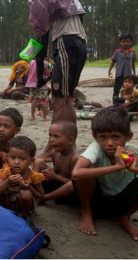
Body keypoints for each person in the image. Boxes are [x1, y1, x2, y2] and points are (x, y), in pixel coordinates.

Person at [72, 106, 138, 240]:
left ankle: (124, 217)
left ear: (128, 136)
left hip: (123, 201)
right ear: (95, 137)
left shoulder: (133, 151)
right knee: (85, 169)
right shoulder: (96, 148)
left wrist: (134, 169)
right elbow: (76, 173)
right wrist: (117, 167)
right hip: (98, 199)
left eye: (115, 137)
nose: (109, 143)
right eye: (103, 137)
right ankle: (86, 211)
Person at [29, 0, 87, 124]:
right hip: (79, 44)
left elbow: (41, 33)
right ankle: (67, 140)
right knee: (68, 98)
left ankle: (59, 139)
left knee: (59, 99)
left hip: (65, 43)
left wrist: (39, 75)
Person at [0, 136, 45, 217]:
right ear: (7, 157)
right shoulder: (6, 172)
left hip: (23, 206)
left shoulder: (33, 176)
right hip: (6, 203)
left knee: (26, 194)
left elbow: (41, 195)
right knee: (3, 189)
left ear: (31, 161)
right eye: (13, 157)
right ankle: (2, 211)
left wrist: (29, 187)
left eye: (22, 159)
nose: (16, 162)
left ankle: (23, 216)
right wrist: (8, 182)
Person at [33, 121, 78, 204]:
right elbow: (57, 170)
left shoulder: (74, 159)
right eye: (50, 136)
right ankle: (34, 188)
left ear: (70, 140)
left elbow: (76, 184)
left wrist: (55, 177)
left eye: (56, 136)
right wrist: (48, 172)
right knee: (38, 162)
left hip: (67, 190)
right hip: (56, 183)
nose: (51, 140)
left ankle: (44, 198)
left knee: (72, 185)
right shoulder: (55, 153)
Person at [0, 108, 23, 186]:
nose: (1, 129)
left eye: (6, 126)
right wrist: (0, 153)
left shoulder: (18, 146)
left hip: (11, 176)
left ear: (17, 130)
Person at [108, 34, 136, 105]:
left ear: (131, 43)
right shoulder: (117, 52)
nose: (125, 43)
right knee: (117, 90)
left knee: (129, 90)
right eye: (123, 42)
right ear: (120, 43)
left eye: (127, 41)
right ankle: (115, 103)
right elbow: (113, 61)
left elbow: (133, 63)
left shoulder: (132, 52)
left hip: (128, 75)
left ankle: (129, 103)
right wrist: (109, 70)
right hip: (119, 75)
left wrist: (134, 72)